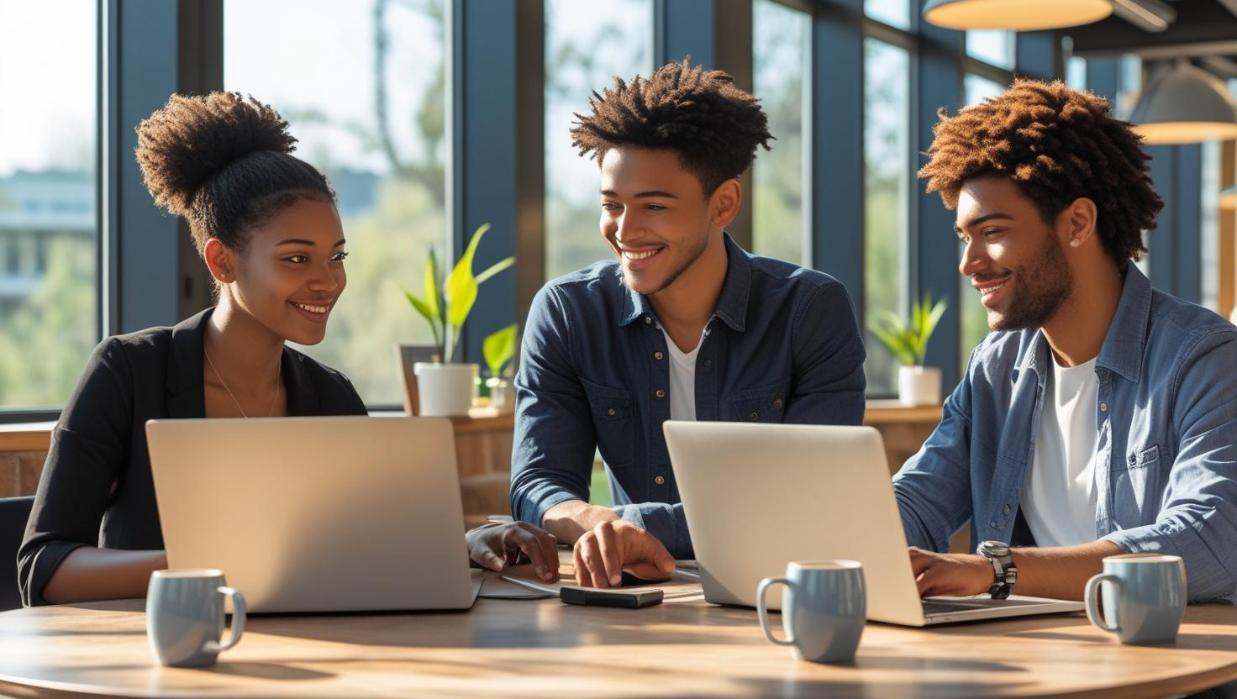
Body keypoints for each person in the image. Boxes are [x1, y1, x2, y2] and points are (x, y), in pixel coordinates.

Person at [18, 92, 555, 607]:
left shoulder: (330, 395)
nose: (328, 282)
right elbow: (45, 569)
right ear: (222, 262)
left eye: (336, 257)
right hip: (163, 655)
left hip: (304, 657)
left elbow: (370, 545)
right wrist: (215, 565)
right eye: (297, 259)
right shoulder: (128, 372)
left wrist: (464, 543)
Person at [510, 61, 867, 589]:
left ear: (722, 204)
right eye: (612, 205)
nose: (625, 231)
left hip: (775, 591)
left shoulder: (810, 310)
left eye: (653, 205)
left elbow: (805, 495)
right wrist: (595, 522)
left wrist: (634, 524)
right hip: (638, 592)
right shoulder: (568, 312)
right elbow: (538, 480)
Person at [895, 79, 1237, 603]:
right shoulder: (996, 368)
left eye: (992, 232)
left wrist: (997, 570)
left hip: (1170, 665)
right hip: (1040, 654)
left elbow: (1210, 540)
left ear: (1077, 223)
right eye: (965, 237)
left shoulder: (1203, 358)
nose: (968, 263)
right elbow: (920, 499)